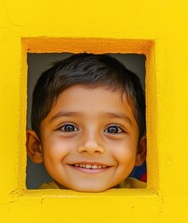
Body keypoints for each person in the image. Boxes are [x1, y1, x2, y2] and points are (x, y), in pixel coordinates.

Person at [26, 54, 146, 192]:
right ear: (36, 147)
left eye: (113, 129)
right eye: (68, 128)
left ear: (140, 150)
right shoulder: (26, 210)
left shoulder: (161, 206)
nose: (90, 145)